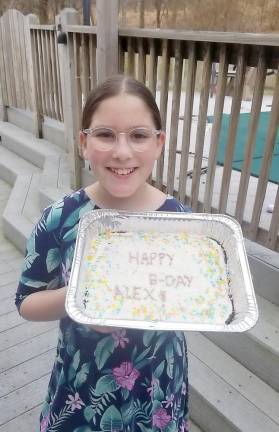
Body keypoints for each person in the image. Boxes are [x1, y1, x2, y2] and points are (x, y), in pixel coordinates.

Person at [16, 75, 190, 432]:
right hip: (82, 389)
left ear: (159, 143)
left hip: (157, 390)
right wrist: (77, 298)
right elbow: (26, 301)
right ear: (84, 142)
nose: (122, 152)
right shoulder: (61, 219)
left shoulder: (181, 224)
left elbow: (196, 295)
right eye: (106, 134)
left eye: (139, 135)